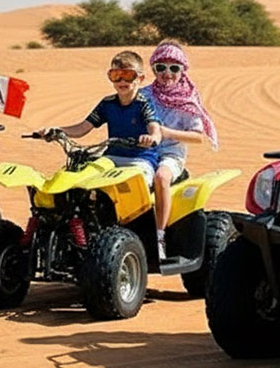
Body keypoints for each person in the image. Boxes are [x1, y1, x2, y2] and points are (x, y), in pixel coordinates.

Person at [36, 50, 163, 225]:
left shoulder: (144, 104)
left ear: (140, 78)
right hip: (110, 158)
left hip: (139, 160)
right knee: (83, 181)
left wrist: (151, 138)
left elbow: (155, 129)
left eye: (127, 75)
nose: (122, 81)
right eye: (116, 75)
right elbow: (82, 128)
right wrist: (56, 131)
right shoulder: (107, 104)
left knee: (127, 192)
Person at [140, 42, 218, 260]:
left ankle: (159, 236)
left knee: (161, 178)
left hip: (170, 156)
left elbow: (198, 136)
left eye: (174, 68)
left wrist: (166, 132)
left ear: (183, 70)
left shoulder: (187, 101)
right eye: (161, 67)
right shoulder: (144, 94)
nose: (167, 74)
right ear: (153, 69)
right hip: (142, 152)